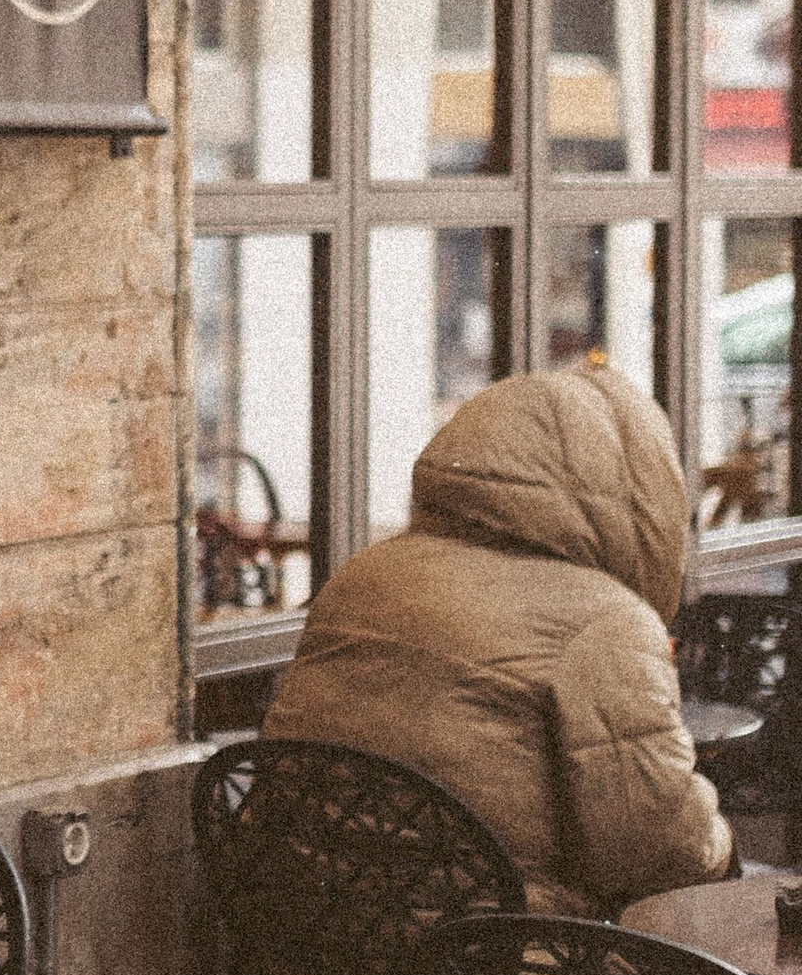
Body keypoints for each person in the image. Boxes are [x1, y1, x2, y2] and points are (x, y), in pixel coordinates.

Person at [266, 363, 732, 916]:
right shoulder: (605, 623)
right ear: (639, 494)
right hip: (495, 970)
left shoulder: (363, 576)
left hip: (315, 941)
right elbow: (659, 850)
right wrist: (720, 832)